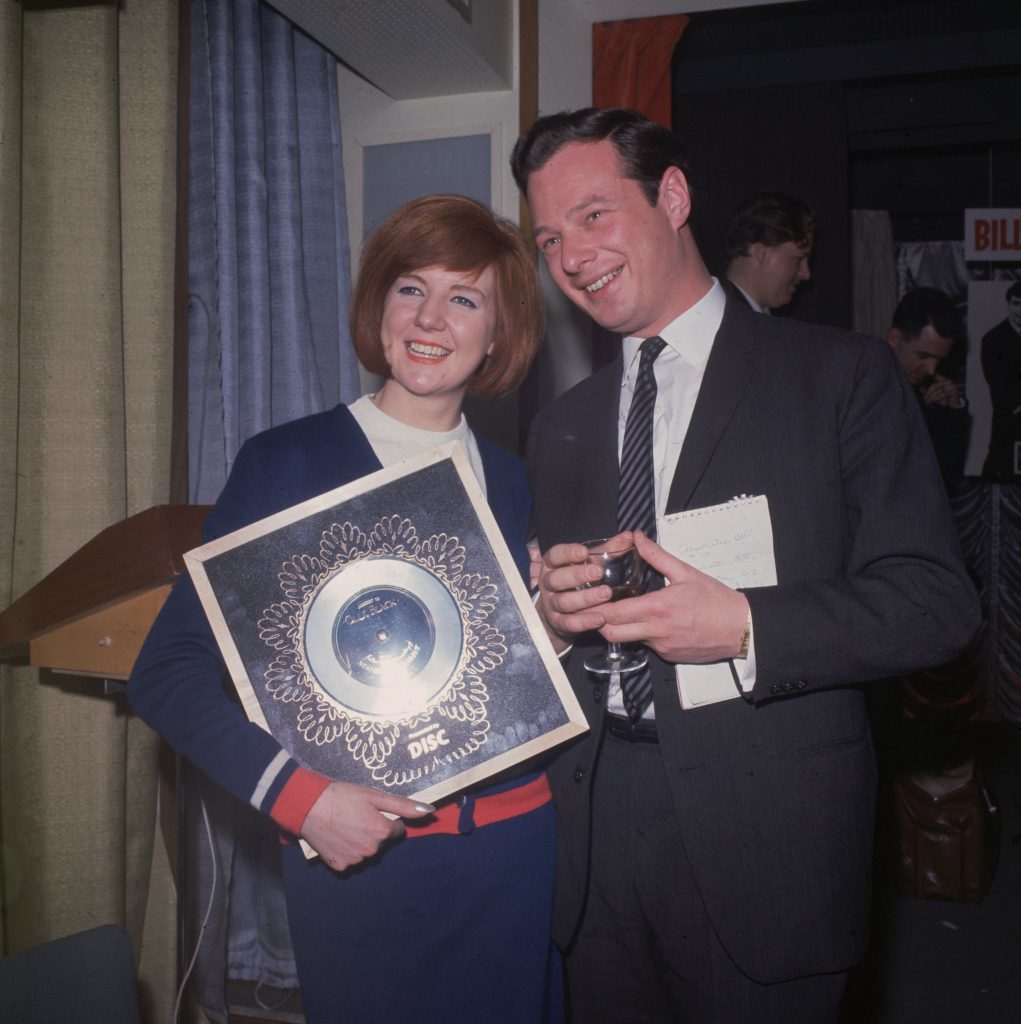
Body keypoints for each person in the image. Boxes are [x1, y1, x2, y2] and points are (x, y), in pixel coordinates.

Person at [510, 108, 979, 1023]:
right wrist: (556, 621)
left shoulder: (837, 377)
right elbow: (564, 628)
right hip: (595, 840)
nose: (571, 256)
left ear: (673, 196)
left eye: (594, 216)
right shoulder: (561, 423)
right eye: (549, 237)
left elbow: (934, 604)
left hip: (768, 837)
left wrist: (746, 627)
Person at [128, 195, 558, 1024]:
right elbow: (166, 673)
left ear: (499, 334)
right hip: (366, 866)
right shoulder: (287, 461)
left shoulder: (512, 479)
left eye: (464, 299)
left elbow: (509, 683)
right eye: (410, 288)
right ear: (377, 307)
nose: (431, 318)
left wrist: (556, 627)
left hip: (515, 855)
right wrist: (301, 800)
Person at [885, 286, 969, 488]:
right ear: (894, 339)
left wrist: (952, 411)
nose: (931, 370)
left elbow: (947, 479)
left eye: (939, 360)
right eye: (923, 356)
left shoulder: (927, 398)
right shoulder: (856, 387)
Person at [723, 190, 815, 313]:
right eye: (798, 259)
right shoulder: (731, 321)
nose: (806, 274)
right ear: (761, 253)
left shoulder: (735, 315)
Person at [980, 280, 1021, 478]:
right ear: (1009, 304)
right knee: (1000, 470)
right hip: (1008, 423)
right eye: (1017, 303)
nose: (1020, 310)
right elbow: (997, 385)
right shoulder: (993, 339)